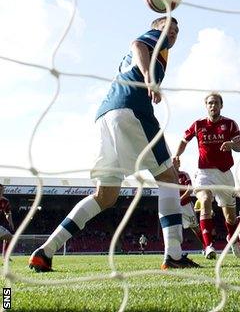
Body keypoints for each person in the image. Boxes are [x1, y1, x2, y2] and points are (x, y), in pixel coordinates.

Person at [29, 17, 199, 271]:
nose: (172, 35)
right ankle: (173, 255)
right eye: (168, 29)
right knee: (168, 178)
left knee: (105, 196)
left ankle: (45, 251)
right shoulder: (154, 39)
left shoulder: (151, 52)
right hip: (132, 109)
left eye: (176, 32)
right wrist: (148, 78)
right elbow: (138, 44)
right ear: (156, 27)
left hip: (105, 115)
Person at [173, 92, 240, 259]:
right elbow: (184, 140)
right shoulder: (198, 124)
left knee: (230, 217)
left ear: (221, 105)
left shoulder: (230, 124)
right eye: (210, 103)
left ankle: (232, 238)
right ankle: (208, 246)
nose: (213, 106)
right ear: (206, 106)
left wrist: (231, 144)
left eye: (216, 103)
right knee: (204, 200)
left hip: (225, 173)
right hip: (204, 172)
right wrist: (177, 155)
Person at [177, 167, 204, 248]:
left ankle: (207, 246)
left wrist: (180, 199)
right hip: (173, 206)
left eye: (178, 160)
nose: (177, 161)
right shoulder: (168, 176)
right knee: (173, 228)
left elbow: (190, 190)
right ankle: (174, 252)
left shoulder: (184, 174)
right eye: (175, 160)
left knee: (195, 227)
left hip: (185, 205)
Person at [0, 184, 15, 259]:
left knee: (9, 237)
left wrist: (11, 223)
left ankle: (5, 255)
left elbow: (8, 213)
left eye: (2, 190)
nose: (1, 191)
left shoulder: (5, 201)